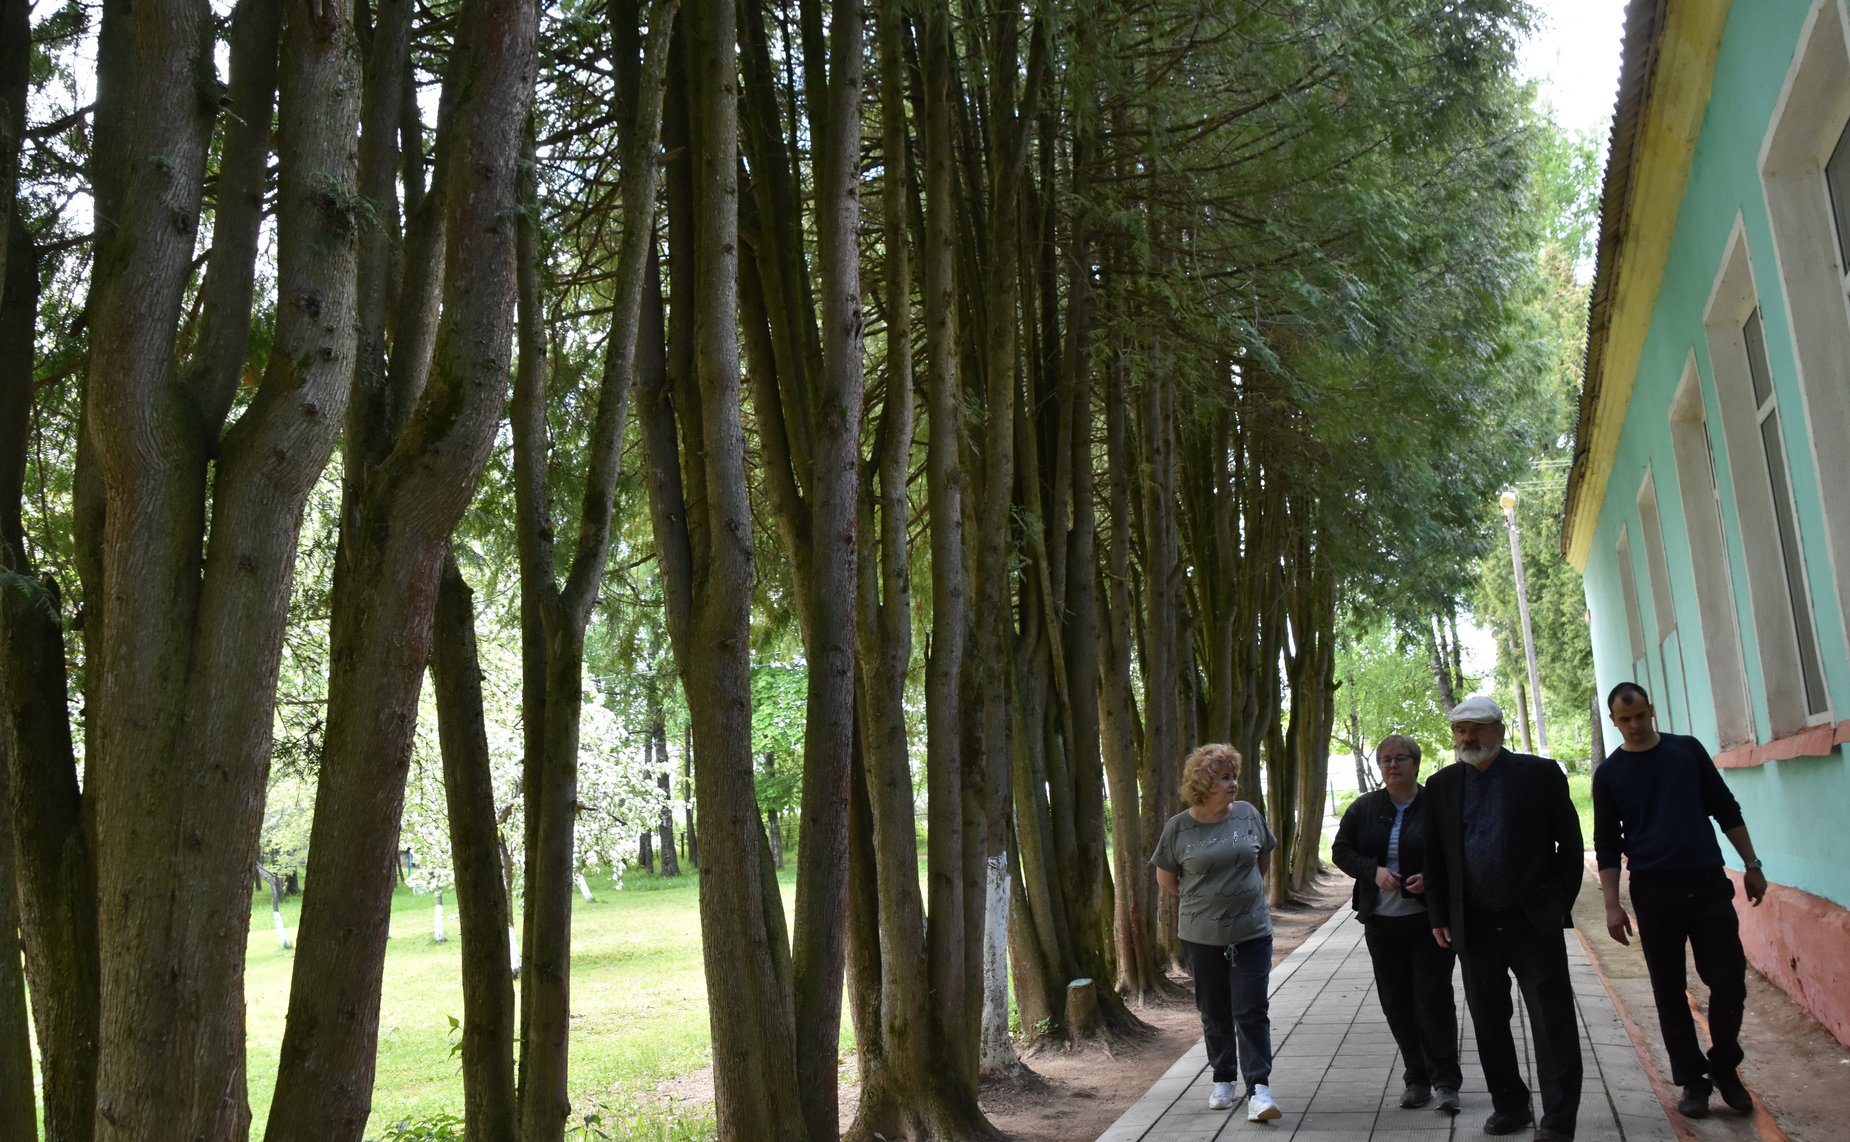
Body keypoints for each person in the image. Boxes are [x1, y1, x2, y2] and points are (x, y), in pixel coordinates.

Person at [1594, 681, 1764, 1119]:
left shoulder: (1686, 752)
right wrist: (1613, 905)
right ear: (1614, 722)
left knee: (1728, 981)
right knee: (1669, 989)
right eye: (1624, 719)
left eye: (1639, 715)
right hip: (1654, 892)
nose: (1633, 725)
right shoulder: (1610, 775)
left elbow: (1725, 807)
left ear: (1651, 710)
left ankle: (1724, 1066)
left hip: (1707, 884)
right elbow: (1607, 844)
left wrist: (1752, 864)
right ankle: (1692, 1080)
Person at [1424, 695, 1584, 1140]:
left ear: (1499, 729)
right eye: (1460, 730)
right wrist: (1440, 913)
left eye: (1476, 728)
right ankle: (1511, 1106)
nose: (1467, 737)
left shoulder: (1538, 775)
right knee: (1488, 1021)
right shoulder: (1441, 786)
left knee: (1551, 1022)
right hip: (1474, 925)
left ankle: (1557, 1120)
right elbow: (1434, 858)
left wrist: (1555, 906)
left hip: (1531, 922)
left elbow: (1570, 848)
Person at [1332, 734, 1462, 1114]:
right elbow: (1341, 851)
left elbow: (1454, 853)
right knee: (1396, 1002)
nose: (1392, 765)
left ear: (1416, 764)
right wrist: (1373, 873)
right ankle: (1416, 1078)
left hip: (1429, 922)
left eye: (1400, 758)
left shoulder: (1436, 805)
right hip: (1382, 923)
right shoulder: (1364, 808)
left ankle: (1446, 1083)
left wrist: (1430, 878)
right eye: (1385, 759)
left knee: (1433, 1000)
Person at [1152, 743, 1283, 1122]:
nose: (1233, 784)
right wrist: (1208, 902)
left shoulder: (1247, 814)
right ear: (1204, 783)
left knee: (1252, 1008)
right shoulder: (1178, 827)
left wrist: (1242, 896)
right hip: (1201, 936)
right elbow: (1168, 880)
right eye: (1224, 777)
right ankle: (1223, 1078)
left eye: (1234, 776)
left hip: (1252, 931)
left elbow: (1262, 858)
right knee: (1213, 1011)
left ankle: (1259, 1088)